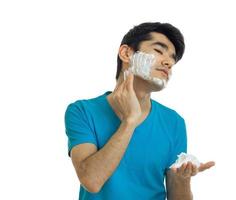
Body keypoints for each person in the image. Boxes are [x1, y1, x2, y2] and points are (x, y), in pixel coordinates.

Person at [64, 22, 215, 200]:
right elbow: (92, 180)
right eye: (159, 50)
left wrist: (183, 180)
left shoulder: (174, 122)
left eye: (172, 58)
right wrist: (130, 121)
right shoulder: (82, 111)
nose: (169, 62)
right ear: (126, 53)